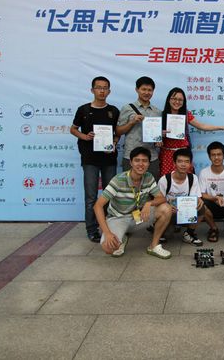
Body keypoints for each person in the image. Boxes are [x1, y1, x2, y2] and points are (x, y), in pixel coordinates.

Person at [94, 147, 173, 259]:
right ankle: (122, 237)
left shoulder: (148, 177)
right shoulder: (118, 180)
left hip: (138, 217)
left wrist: (149, 204)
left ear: (149, 163)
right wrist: (107, 233)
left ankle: (153, 246)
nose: (141, 164)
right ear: (130, 162)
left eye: (144, 161)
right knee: (109, 249)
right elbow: (97, 206)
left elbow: (161, 198)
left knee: (166, 208)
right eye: (137, 160)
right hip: (118, 219)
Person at [70, 76, 120, 243]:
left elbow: (118, 133)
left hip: (109, 159)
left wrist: (114, 143)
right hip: (90, 159)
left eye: (105, 88)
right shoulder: (83, 110)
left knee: (109, 194)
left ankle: (109, 227)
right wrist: (85, 136)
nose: (102, 91)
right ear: (92, 90)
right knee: (91, 196)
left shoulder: (113, 111)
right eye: (99, 87)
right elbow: (73, 129)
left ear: (109, 91)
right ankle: (92, 229)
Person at [159, 87, 224, 176]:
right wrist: (159, 135)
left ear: (184, 102)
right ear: (169, 100)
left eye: (180, 100)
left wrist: (221, 127)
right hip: (167, 155)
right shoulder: (161, 115)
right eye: (174, 99)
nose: (177, 102)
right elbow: (153, 135)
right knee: (166, 180)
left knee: (186, 180)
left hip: (184, 154)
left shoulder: (186, 114)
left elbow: (201, 126)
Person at [116, 76, 162, 180]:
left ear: (153, 91)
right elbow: (118, 131)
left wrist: (159, 139)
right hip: (131, 156)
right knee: (129, 187)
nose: (146, 93)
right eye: (143, 89)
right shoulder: (127, 108)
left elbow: (157, 134)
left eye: (149, 90)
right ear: (137, 90)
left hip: (151, 157)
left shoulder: (157, 112)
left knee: (152, 187)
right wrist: (131, 122)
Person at [157, 148, 205, 246]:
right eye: (180, 161)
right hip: (169, 213)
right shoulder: (164, 180)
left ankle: (188, 234)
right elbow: (158, 201)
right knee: (167, 234)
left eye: (186, 162)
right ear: (174, 163)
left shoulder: (193, 178)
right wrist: (168, 207)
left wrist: (199, 200)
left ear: (190, 164)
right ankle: (159, 228)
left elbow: (194, 198)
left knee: (201, 208)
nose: (183, 165)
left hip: (185, 213)